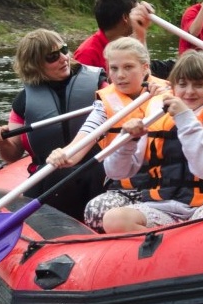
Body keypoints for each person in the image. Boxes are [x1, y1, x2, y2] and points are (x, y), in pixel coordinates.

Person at [96, 52, 203, 233]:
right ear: (173, 87)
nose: (189, 92)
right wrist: (127, 142)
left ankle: (173, 245)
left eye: (198, 85)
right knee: (113, 219)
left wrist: (185, 118)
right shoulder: (156, 113)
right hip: (161, 206)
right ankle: (170, 248)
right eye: (182, 85)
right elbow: (116, 172)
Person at [0, 29, 106, 218]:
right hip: (49, 177)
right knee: (57, 180)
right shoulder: (24, 102)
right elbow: (13, 154)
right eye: (52, 57)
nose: (64, 58)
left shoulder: (99, 85)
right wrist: (0, 140)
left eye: (64, 50)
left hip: (96, 172)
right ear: (34, 64)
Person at [47, 37, 167, 230]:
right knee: (94, 212)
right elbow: (77, 148)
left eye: (128, 67)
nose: (120, 75)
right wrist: (61, 154)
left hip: (168, 186)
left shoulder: (170, 95)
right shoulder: (105, 105)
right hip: (127, 187)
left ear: (145, 68)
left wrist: (172, 102)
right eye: (114, 68)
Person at [74, 0, 152, 71]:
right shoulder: (87, 54)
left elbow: (143, 75)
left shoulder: (129, 42)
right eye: (136, 12)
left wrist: (140, 34)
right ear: (125, 17)